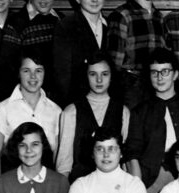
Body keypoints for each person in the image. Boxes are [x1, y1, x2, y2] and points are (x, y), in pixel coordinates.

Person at [125, 48, 179, 193]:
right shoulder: (140, 111)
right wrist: (137, 188)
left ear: (175, 74)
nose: (159, 77)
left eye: (165, 71)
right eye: (154, 72)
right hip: (150, 176)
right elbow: (132, 152)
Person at [0, 52, 62, 184]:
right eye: (26, 70)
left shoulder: (56, 111)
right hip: (12, 184)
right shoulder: (3, 108)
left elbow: (58, 156)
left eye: (38, 70)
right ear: (18, 73)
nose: (33, 76)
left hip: (45, 185)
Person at [56, 53, 130, 182]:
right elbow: (63, 163)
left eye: (104, 74)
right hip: (80, 185)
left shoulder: (123, 111)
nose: (99, 80)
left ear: (112, 76)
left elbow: (126, 160)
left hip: (114, 186)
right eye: (93, 74)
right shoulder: (71, 111)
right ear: (85, 76)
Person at [106, 0, 165, 109]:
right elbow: (114, 64)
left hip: (156, 85)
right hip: (131, 88)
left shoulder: (160, 18)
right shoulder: (122, 15)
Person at [0, 0, 61, 99]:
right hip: (26, 103)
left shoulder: (63, 21)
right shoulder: (16, 25)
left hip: (58, 103)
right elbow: (5, 74)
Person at [51, 0, 109, 108]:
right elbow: (62, 76)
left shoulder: (111, 25)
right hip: (77, 104)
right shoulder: (66, 27)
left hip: (106, 104)